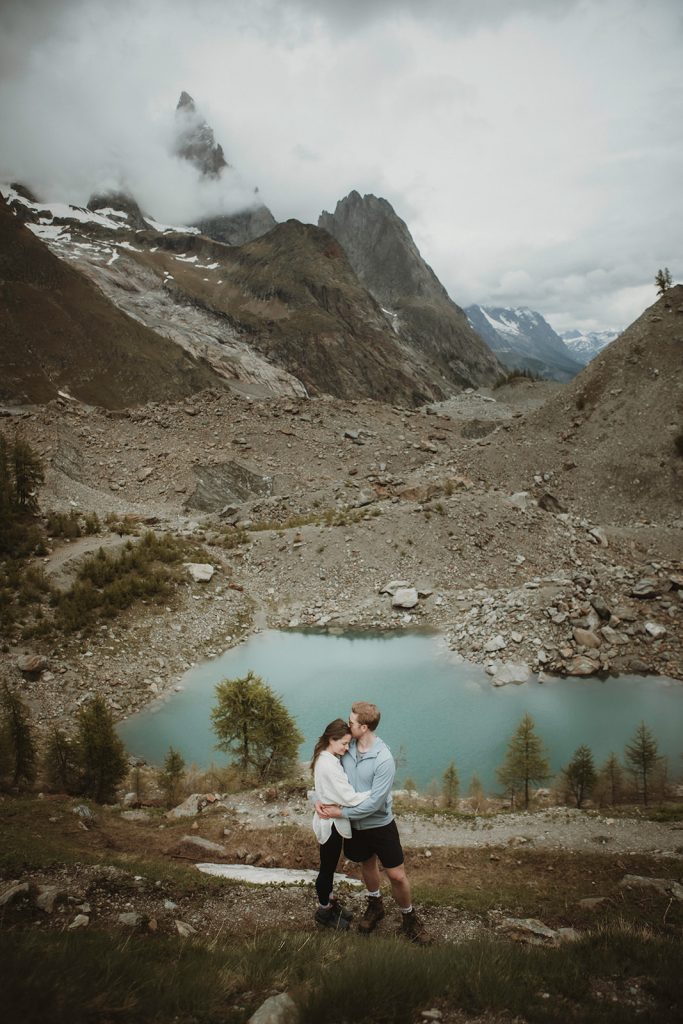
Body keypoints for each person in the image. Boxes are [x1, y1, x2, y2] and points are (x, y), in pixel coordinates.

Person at [316, 701, 428, 943]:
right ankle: (375, 905)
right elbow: (326, 775)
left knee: (397, 875)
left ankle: (409, 919)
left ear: (364, 727)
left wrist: (341, 814)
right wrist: (318, 800)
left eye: (352, 722)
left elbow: (376, 803)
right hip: (357, 827)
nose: (348, 724)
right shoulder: (346, 747)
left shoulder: (384, 759)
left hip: (380, 825)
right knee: (367, 865)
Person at [310, 718, 371, 930]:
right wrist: (375, 795)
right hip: (331, 824)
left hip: (329, 818)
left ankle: (330, 902)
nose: (346, 748)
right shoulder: (328, 764)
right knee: (326, 869)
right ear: (331, 739)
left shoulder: (327, 758)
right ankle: (324, 911)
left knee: (330, 866)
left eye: (348, 743)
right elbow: (348, 796)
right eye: (343, 743)